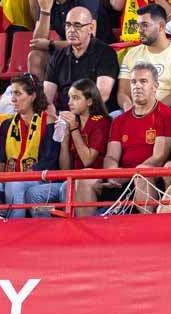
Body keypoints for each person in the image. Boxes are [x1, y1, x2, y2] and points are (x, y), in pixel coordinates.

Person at [91, 62, 171, 213]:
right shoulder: (120, 120)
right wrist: (112, 173)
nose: (137, 86)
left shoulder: (166, 116)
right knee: (86, 178)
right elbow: (111, 156)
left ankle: (145, 230)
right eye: (133, 82)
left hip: (150, 181)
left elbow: (158, 158)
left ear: (155, 86)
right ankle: (83, 232)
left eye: (143, 81)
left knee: (142, 173)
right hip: (121, 179)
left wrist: (127, 175)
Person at [24, 78, 112, 217]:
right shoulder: (73, 122)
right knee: (34, 194)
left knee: (67, 188)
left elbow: (87, 160)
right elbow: (66, 169)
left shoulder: (101, 122)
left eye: (76, 98)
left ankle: (70, 228)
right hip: (71, 178)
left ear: (89, 101)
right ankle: (50, 230)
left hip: (92, 182)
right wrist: (64, 140)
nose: (70, 102)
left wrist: (74, 129)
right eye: (69, 97)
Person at [0, 74, 59, 219]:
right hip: (10, 178)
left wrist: (20, 176)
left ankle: (15, 227)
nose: (13, 99)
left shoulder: (48, 122)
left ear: (32, 96)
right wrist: (3, 178)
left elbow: (50, 160)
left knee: (16, 184)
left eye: (18, 94)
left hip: (40, 178)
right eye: (12, 93)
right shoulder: (7, 125)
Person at [28, 0, 107, 77]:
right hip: (68, 49)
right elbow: (38, 42)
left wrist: (50, 44)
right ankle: (41, 95)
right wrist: (45, 10)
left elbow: (87, 41)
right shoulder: (47, 0)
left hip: (95, 52)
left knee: (79, 53)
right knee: (35, 57)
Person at [116, 5, 171, 112]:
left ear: (161, 26)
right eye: (138, 25)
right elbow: (123, 92)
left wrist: (149, 111)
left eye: (145, 25)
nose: (139, 30)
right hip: (136, 111)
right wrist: (128, 108)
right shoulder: (131, 54)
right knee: (112, 118)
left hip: (169, 111)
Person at [43, 6, 119, 110]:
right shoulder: (58, 56)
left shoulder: (105, 53)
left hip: (94, 113)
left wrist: (77, 115)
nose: (71, 30)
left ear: (91, 28)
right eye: (68, 25)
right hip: (63, 114)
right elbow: (47, 96)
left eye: (77, 25)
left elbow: (102, 95)